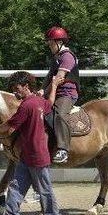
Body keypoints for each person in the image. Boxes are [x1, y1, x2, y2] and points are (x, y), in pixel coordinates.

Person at [0, 71, 63, 215]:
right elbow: (50, 103)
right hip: (29, 155)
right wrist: (55, 86)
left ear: (26, 86)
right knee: (16, 187)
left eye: (17, 88)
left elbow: (10, 125)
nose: (15, 92)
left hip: (34, 155)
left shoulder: (26, 105)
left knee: (44, 188)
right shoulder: (39, 101)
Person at [37, 26, 79, 164]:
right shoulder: (56, 57)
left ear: (59, 42)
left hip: (67, 93)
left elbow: (58, 79)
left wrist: (46, 91)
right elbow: (49, 77)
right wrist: (41, 90)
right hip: (55, 91)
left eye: (50, 42)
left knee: (59, 114)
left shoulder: (67, 57)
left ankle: (63, 149)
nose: (49, 45)